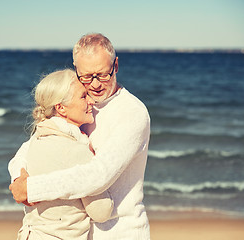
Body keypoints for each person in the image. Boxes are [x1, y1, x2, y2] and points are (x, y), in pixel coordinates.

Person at [9, 33, 151, 239]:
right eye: (86, 76)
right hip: (81, 233)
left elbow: (98, 175)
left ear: (116, 66)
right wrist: (18, 177)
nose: (95, 84)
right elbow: (32, 145)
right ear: (75, 68)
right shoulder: (79, 106)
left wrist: (32, 188)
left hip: (120, 231)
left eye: (103, 74)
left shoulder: (132, 112)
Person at [15, 69, 114, 240]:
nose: (91, 101)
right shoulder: (76, 151)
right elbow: (101, 211)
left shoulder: (36, 140)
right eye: (83, 97)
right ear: (61, 108)